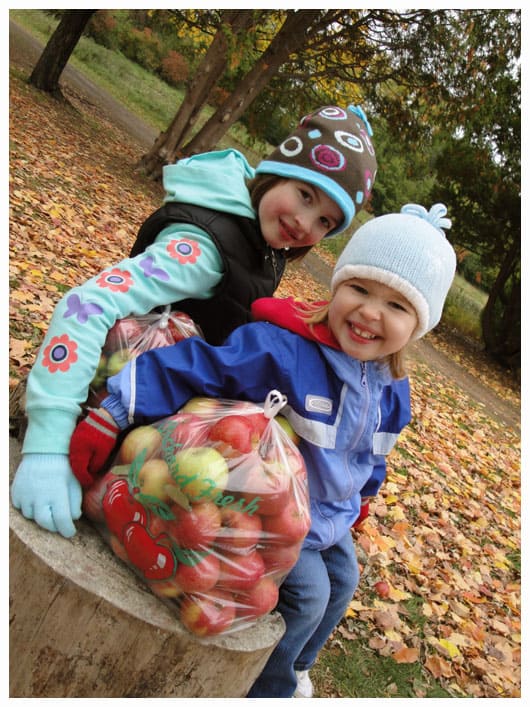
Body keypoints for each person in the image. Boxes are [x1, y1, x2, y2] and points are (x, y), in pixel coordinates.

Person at [68, 202, 456, 698]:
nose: (369, 312)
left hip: (330, 514)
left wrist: (362, 502)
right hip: (266, 515)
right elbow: (202, 364)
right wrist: (116, 409)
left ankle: (299, 668)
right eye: (359, 289)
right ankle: (266, 687)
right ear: (337, 286)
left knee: (346, 582)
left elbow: (371, 456)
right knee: (309, 597)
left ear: (418, 326)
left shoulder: (391, 390)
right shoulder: (284, 351)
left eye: (397, 306)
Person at [10, 104, 379, 539]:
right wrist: (47, 446)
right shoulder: (203, 250)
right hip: (101, 412)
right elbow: (86, 306)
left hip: (152, 426)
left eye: (324, 221)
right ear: (276, 172)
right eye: (305, 194)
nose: (304, 223)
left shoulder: (260, 243)